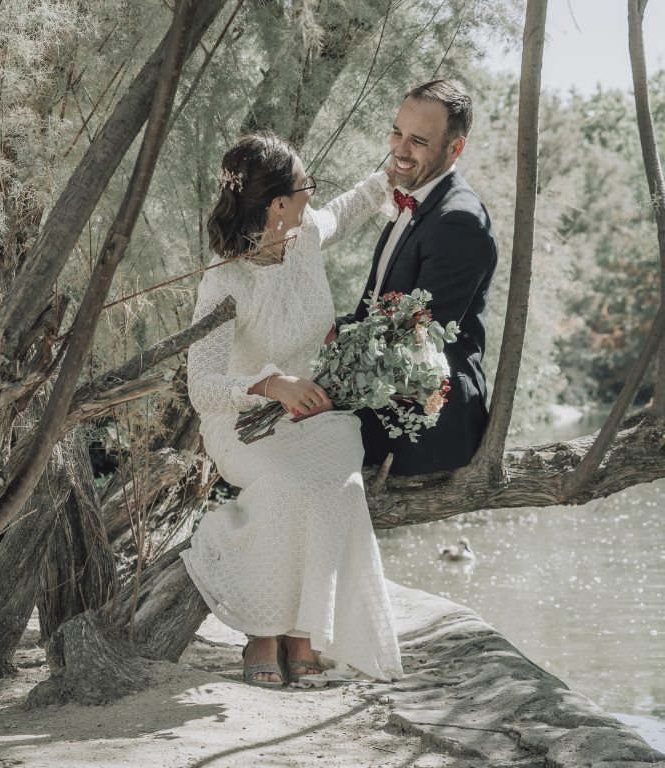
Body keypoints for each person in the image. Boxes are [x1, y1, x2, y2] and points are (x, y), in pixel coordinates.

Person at [181, 133, 403, 688]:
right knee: (286, 484)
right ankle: (265, 629)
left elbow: (345, 211)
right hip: (242, 423)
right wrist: (270, 384)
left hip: (317, 416)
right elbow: (200, 387)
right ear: (278, 203)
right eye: (305, 187)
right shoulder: (224, 279)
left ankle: (304, 631)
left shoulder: (302, 239)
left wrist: (389, 178)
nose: (311, 196)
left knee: (341, 484)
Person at [340, 80, 498, 476]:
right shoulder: (416, 198)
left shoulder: (459, 222)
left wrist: (327, 370)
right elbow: (371, 313)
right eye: (397, 133)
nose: (400, 149)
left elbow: (410, 341)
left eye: (419, 141)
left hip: (424, 422)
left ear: (455, 147)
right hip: (380, 389)